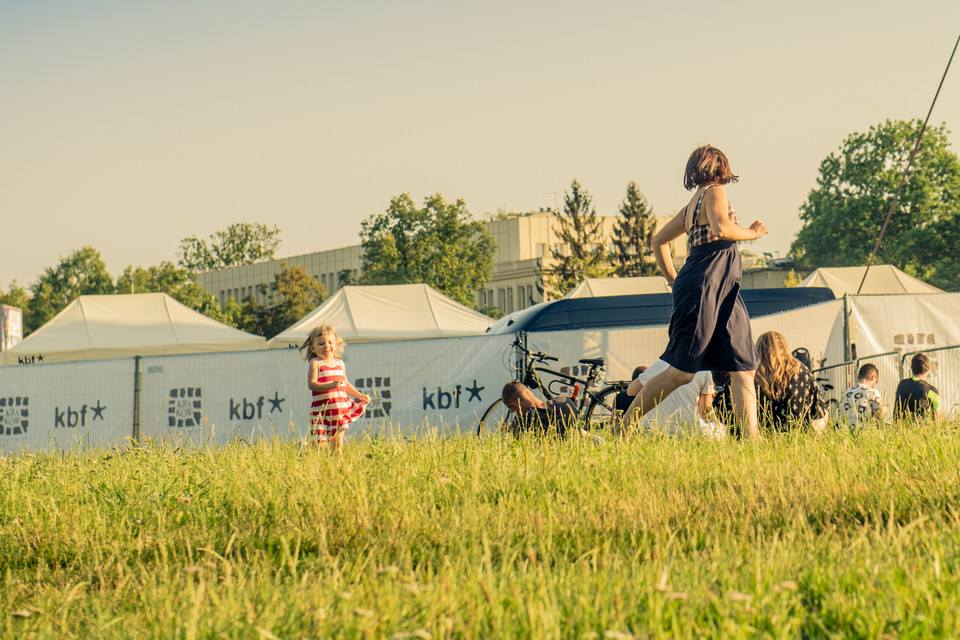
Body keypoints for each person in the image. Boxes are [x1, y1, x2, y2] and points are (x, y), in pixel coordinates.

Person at [626, 145, 768, 438]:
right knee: (682, 371)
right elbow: (723, 228)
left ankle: (753, 442)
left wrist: (673, 280)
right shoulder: (715, 192)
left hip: (723, 290)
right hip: (706, 285)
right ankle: (623, 426)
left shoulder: (691, 205)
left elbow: (658, 243)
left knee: (744, 366)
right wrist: (754, 233)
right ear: (720, 167)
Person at [299, 325, 371, 452]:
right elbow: (312, 384)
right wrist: (330, 386)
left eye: (330, 342)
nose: (326, 346)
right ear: (313, 348)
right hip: (321, 411)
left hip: (339, 410)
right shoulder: (316, 363)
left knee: (337, 445)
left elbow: (346, 384)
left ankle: (336, 469)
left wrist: (359, 396)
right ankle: (305, 448)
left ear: (336, 344)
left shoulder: (340, 364)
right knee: (320, 445)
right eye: (321, 343)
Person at [620, 359, 720, 438]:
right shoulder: (703, 370)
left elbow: (631, 390)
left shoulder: (660, 365)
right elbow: (704, 411)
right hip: (685, 430)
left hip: (651, 429)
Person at [753, 331, 827, 433]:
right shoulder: (801, 372)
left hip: (763, 442)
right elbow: (820, 414)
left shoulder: (753, 378)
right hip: (799, 440)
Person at [501, 381, 576, 438]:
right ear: (531, 392)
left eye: (514, 411)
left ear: (515, 405)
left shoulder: (526, 420)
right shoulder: (565, 401)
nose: (517, 414)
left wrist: (515, 435)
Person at [894, 353, 941, 421]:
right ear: (928, 368)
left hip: (898, 428)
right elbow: (937, 419)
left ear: (912, 368)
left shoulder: (901, 384)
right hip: (919, 429)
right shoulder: (931, 390)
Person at [840, 363, 883, 428]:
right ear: (873, 377)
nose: (875, 385)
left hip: (844, 432)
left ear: (858, 378)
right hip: (863, 433)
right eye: (876, 381)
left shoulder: (845, 393)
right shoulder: (873, 393)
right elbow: (878, 419)